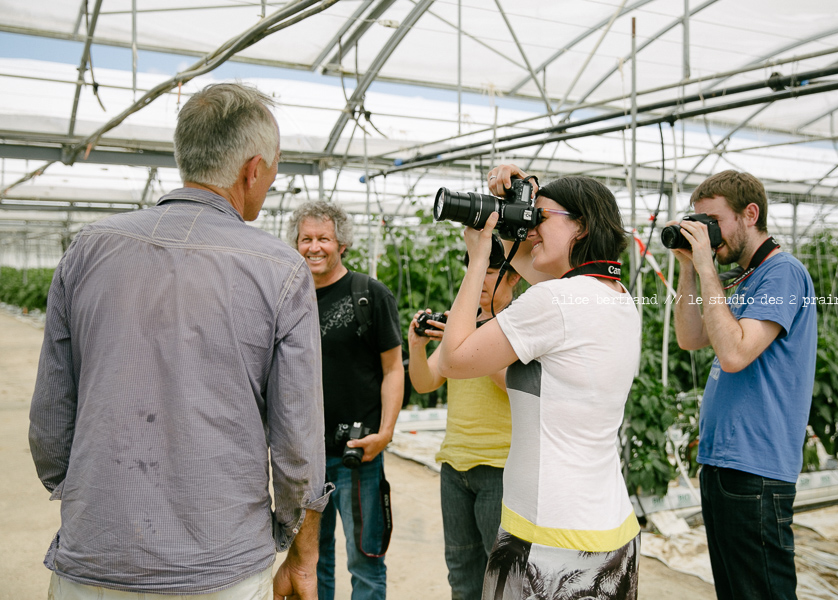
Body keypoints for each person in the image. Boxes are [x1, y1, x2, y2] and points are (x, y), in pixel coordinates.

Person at [28, 83, 331, 600]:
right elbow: (297, 445)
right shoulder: (281, 270)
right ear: (252, 170)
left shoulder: (88, 251)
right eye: (274, 169)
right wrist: (301, 553)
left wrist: (92, 498)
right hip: (221, 567)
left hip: (94, 558)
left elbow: (51, 424)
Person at [437, 165, 641, 600]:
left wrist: (478, 258)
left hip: (548, 538)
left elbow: (451, 360)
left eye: (541, 219)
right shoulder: (615, 297)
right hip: (609, 533)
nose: (531, 230)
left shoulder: (556, 302)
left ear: (581, 225)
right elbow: (533, 264)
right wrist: (521, 208)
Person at [670, 170, 817, 600]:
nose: (705, 233)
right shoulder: (746, 278)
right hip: (723, 462)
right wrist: (688, 267)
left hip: (756, 469)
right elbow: (690, 337)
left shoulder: (782, 273)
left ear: (749, 214)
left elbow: (734, 354)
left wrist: (705, 265)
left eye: (712, 221)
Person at [286, 201, 404, 600]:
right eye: (306, 238)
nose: (314, 247)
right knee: (310, 563)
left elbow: (393, 369)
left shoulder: (369, 294)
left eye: (324, 238)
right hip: (305, 458)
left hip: (359, 455)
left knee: (366, 561)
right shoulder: (289, 298)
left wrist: (385, 432)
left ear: (341, 243)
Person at [407, 235, 520, 600]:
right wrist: (416, 346)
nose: (484, 280)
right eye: (478, 270)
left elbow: (513, 386)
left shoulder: (519, 323)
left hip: (499, 467)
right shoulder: (462, 324)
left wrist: (470, 342)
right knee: (461, 576)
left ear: (515, 276)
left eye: (492, 271)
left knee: (501, 579)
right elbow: (425, 383)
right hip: (454, 467)